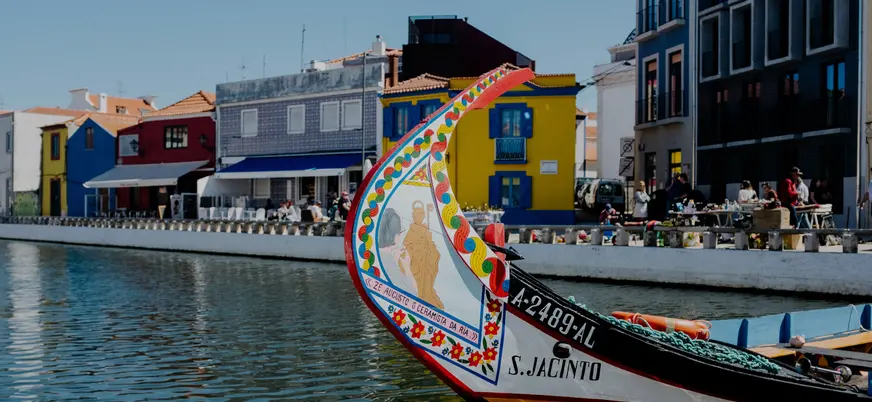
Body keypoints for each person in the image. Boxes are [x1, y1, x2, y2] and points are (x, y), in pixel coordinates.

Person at [404, 201, 444, 309]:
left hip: (427, 262)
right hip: (418, 263)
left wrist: (430, 246)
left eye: (422, 214)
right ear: (414, 216)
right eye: (418, 214)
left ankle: (431, 302)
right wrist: (418, 251)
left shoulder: (425, 228)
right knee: (421, 286)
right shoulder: (411, 231)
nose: (420, 217)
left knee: (428, 285)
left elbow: (432, 247)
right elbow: (407, 245)